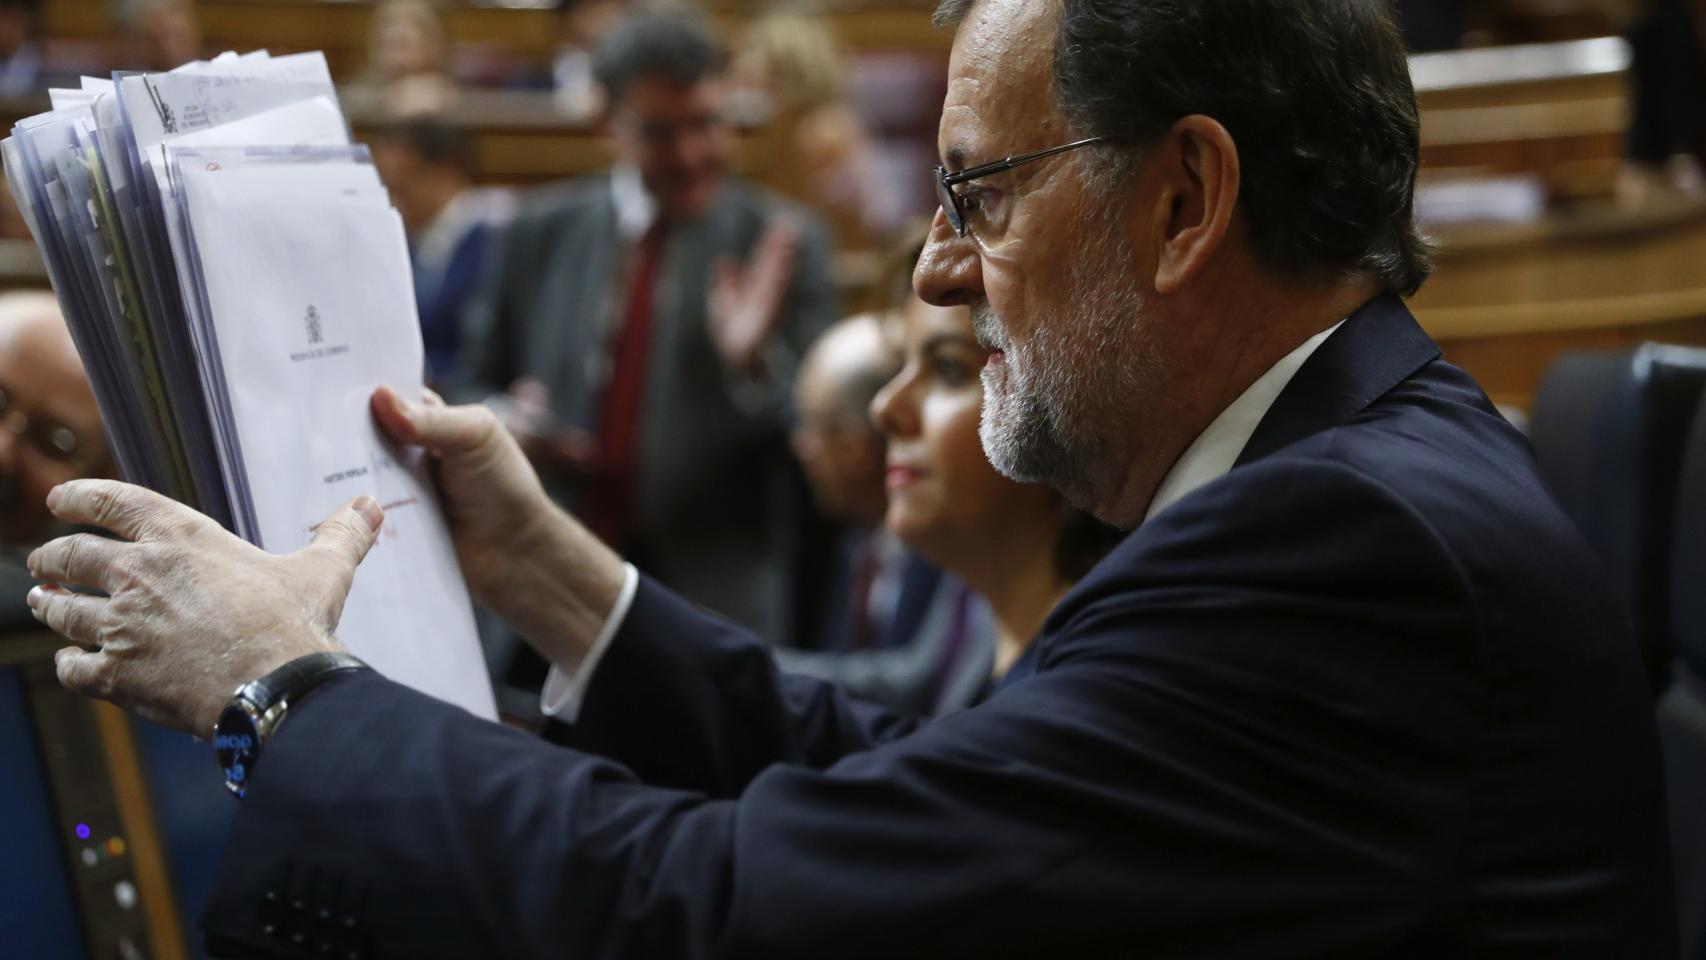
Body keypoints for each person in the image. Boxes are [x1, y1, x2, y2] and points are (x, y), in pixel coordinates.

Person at [20, 0, 1676, 956]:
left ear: (1183, 204)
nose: (939, 274)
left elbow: (745, 912)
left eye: (981, 194)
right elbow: (948, 780)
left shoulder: (1339, 541)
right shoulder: (1348, 467)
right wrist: (556, 577)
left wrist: (281, 693)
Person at [456, 9, 839, 649]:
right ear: (607, 121)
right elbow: (470, 380)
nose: (692, 154)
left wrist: (753, 363)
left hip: (713, 601)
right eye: (661, 132)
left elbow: (822, 445)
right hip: (545, 586)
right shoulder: (537, 233)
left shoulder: (781, 241)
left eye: (707, 124)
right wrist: (506, 418)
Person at [369, 118, 512, 388]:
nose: (393, 201)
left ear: (446, 172)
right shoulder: (406, 244)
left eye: (402, 186)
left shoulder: (498, 240)